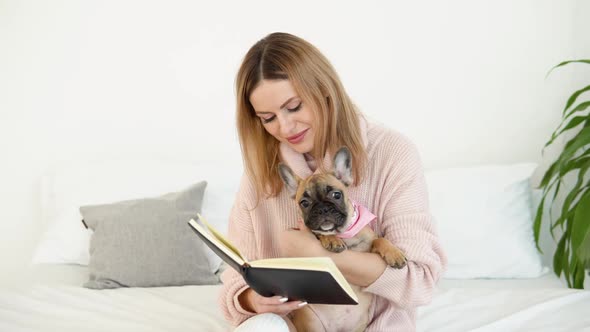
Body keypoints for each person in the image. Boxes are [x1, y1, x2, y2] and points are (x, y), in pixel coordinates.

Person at [219, 32, 447, 331]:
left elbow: (418, 281)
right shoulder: (261, 172)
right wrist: (252, 299)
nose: (285, 127)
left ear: (324, 91)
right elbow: (233, 283)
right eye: (267, 117)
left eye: (294, 106)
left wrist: (320, 256)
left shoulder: (392, 153)